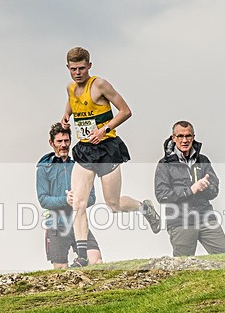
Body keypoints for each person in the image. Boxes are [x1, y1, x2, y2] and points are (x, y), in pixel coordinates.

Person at [61, 47, 160, 267]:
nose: (78, 73)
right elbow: (72, 101)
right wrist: (66, 115)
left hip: (107, 149)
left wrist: (104, 129)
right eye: (73, 69)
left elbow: (125, 111)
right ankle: (82, 256)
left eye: (81, 68)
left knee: (113, 205)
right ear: (68, 68)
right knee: (78, 203)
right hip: (85, 150)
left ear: (89, 66)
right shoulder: (70, 88)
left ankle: (143, 207)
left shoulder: (99, 85)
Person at [154, 120, 225, 257]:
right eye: (180, 136)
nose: (185, 140)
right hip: (180, 221)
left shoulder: (203, 160)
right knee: (183, 267)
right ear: (173, 138)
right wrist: (190, 190)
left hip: (206, 217)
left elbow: (214, 190)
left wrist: (205, 188)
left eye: (188, 136)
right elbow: (162, 195)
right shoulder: (164, 164)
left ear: (193, 137)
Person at [36, 123, 103, 268]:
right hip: (56, 226)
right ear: (51, 143)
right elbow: (43, 199)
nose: (63, 145)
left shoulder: (80, 166)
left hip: (79, 223)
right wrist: (65, 200)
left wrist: (79, 199)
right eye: (59, 141)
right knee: (61, 270)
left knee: (96, 262)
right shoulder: (43, 168)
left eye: (66, 141)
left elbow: (92, 197)